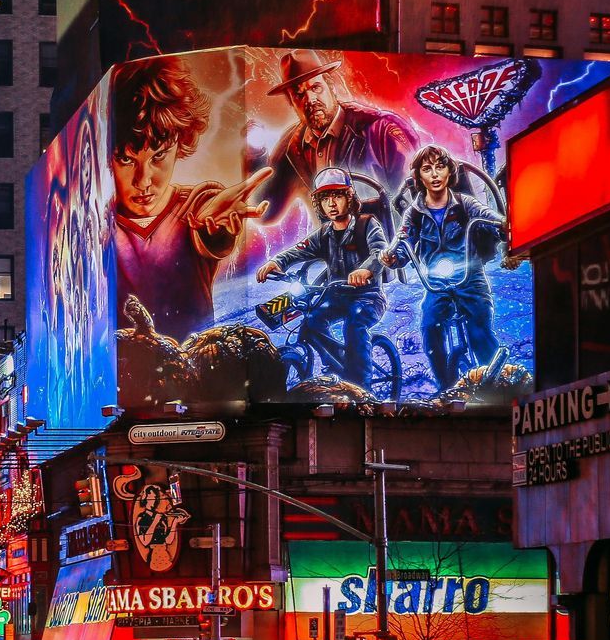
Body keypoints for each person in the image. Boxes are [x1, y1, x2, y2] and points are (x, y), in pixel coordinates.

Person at [109, 56, 269, 339]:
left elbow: (210, 228)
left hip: (198, 370)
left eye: (158, 156)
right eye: (126, 159)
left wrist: (216, 230)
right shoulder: (94, 226)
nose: (143, 181)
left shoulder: (195, 204)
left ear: (179, 144)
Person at [381, 145, 510, 392]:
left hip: (470, 277)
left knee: (479, 328)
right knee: (430, 327)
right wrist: (393, 256)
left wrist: (501, 225)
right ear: (419, 177)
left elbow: (487, 216)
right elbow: (404, 238)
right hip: (436, 283)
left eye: (440, 167)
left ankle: (496, 387)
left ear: (449, 172)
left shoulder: (464, 204)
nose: (435, 174)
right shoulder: (415, 212)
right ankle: (445, 387)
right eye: (427, 169)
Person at [256, 166, 390, 388]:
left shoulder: (367, 224)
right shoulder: (324, 234)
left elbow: (380, 252)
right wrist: (276, 262)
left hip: (368, 296)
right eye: (325, 198)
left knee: (355, 324)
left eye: (337, 195)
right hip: (336, 295)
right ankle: (336, 364)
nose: (331, 203)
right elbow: (299, 250)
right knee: (312, 321)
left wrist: (365, 270)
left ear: (349, 198)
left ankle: (362, 388)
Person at [257, 49, 414, 225]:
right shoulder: (292, 147)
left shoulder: (381, 130)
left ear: (330, 86)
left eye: (316, 87)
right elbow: (266, 210)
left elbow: (413, 201)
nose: (310, 99)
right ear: (291, 102)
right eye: (299, 94)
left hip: (383, 245)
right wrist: (255, 157)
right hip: (335, 248)